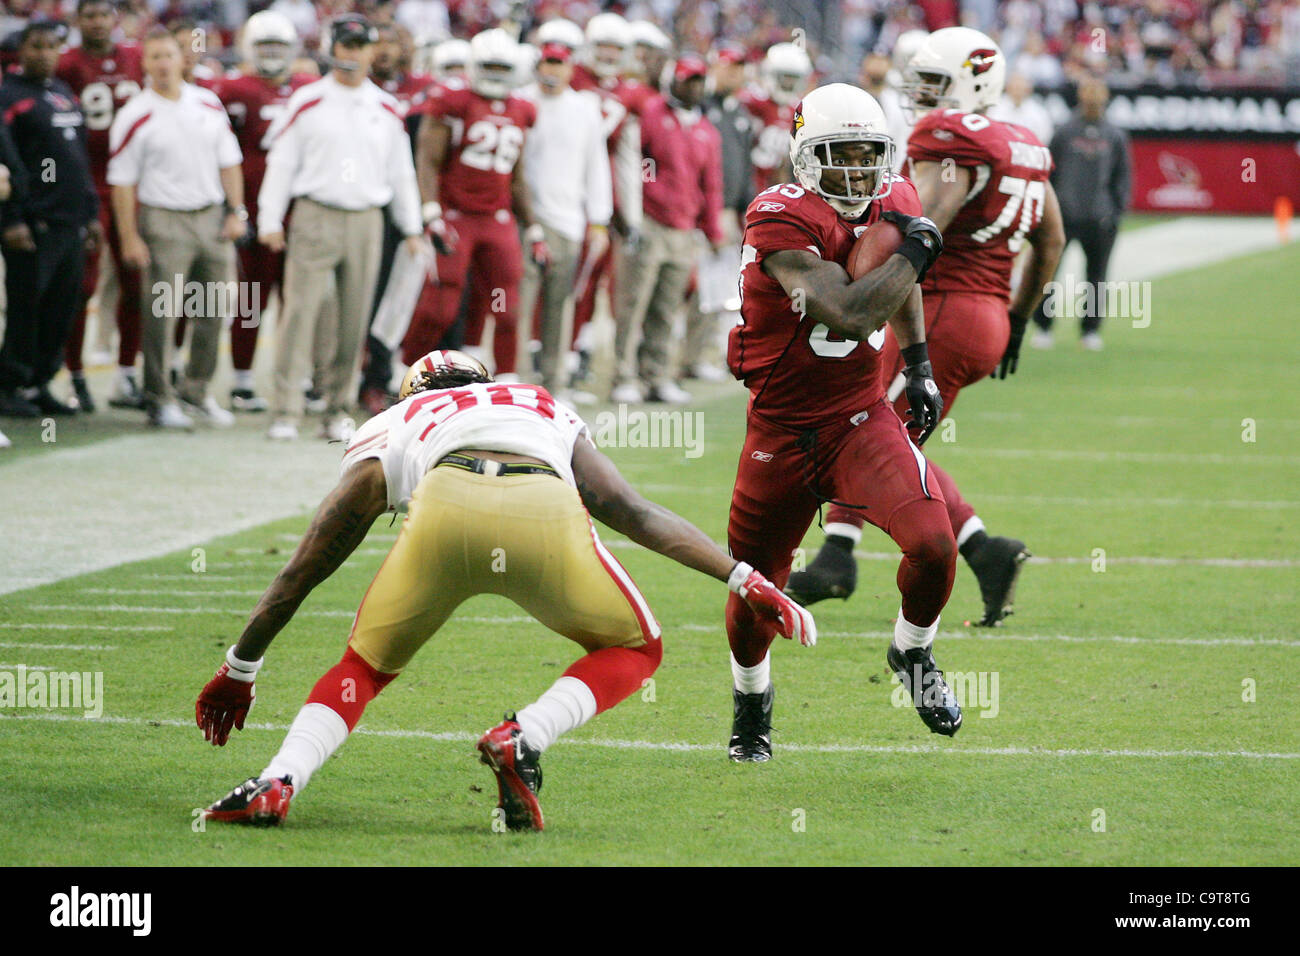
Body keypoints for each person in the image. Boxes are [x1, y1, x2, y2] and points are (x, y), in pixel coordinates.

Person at [196, 349, 815, 831]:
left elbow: (308, 562)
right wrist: (743, 576)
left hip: (443, 509)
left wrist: (240, 665)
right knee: (636, 648)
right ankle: (526, 735)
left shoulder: (397, 418)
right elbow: (627, 507)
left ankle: (278, 781)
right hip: (542, 505)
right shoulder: (534, 400)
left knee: (361, 667)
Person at [788, 29, 1065, 628]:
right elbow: (1051, 240)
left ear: (975, 80)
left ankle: (838, 558)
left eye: (934, 83)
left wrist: (873, 265)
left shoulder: (953, 139)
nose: (921, 94)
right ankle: (984, 550)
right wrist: (1017, 321)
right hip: (984, 316)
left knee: (863, 431)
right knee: (894, 440)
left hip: (942, 307)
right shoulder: (1021, 139)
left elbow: (927, 225)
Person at [724, 83, 955, 761]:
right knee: (756, 589)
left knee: (934, 543)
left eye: (868, 155)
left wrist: (918, 365)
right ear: (804, 157)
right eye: (840, 155)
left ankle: (913, 655)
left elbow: (897, 289)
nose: (857, 170)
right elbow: (851, 313)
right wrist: (916, 251)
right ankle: (751, 701)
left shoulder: (896, 199)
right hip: (780, 429)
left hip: (859, 416)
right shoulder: (778, 215)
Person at [258, 14, 425, 441]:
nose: (351, 54)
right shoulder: (308, 100)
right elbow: (282, 161)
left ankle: (336, 407)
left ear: (372, 51)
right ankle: (286, 407)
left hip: (367, 218)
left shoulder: (386, 106)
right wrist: (270, 217)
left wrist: (411, 225)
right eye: (344, 45)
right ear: (332, 49)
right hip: (316, 212)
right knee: (301, 311)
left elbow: (401, 172)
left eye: (359, 46)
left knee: (355, 317)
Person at [107, 27, 246, 430]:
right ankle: (158, 397)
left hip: (211, 216)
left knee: (215, 309)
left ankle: (197, 389)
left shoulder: (208, 103)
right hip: (163, 219)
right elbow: (121, 182)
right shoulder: (135, 114)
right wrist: (130, 235)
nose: (163, 64)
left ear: (182, 58)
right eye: (154, 57)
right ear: (145, 64)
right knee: (162, 313)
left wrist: (237, 212)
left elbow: (229, 161)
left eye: (169, 55)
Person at [405, 28, 541, 378]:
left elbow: (518, 174)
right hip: (457, 216)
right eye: (489, 67)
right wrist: (431, 210)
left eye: (501, 68)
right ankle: (404, 370)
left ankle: (506, 379)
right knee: (441, 308)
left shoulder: (523, 108)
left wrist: (534, 226)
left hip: (497, 218)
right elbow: (428, 159)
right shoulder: (453, 100)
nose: (495, 75)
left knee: (506, 305)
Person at [215, 10, 316, 413]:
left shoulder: (309, 89)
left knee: (301, 302)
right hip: (253, 212)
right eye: (264, 46)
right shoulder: (233, 89)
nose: (272, 54)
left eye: (279, 46)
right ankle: (242, 380)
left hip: (301, 212)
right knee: (251, 299)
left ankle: (299, 379)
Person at [0, 21, 100, 419]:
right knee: (28, 305)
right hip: (34, 222)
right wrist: (11, 219)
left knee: (63, 306)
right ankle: (8, 383)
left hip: (70, 220)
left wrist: (90, 213)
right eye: (35, 46)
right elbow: (6, 164)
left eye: (51, 46)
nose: (44, 53)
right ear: (20, 51)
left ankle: (38, 381)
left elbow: (78, 159)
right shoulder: (8, 96)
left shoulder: (61, 93)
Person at [611, 54, 723, 405]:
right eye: (688, 79)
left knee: (667, 306)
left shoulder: (706, 130)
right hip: (650, 222)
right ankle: (623, 375)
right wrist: (639, 205)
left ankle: (655, 375)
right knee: (634, 303)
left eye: (698, 80)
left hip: (684, 229)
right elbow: (635, 161)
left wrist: (712, 228)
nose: (693, 86)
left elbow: (711, 185)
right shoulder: (652, 114)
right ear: (673, 80)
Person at [56, 0, 144, 413]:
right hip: (87, 184)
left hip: (134, 184)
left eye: (102, 14)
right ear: (78, 21)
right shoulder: (67, 63)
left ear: (115, 18)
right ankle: (74, 375)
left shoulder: (137, 57)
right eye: (88, 15)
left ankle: (127, 373)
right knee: (82, 285)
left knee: (138, 281)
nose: (96, 22)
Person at [517, 39, 610, 399]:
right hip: (525, 218)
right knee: (521, 306)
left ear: (571, 68)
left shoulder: (584, 107)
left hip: (568, 219)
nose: (552, 70)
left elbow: (596, 165)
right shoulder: (521, 101)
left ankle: (554, 386)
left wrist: (599, 220)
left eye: (559, 63)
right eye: (547, 62)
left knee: (559, 306)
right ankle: (519, 382)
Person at [1032, 76, 1130, 351]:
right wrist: (1049, 211)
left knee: (1097, 278)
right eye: (1089, 94)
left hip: (1101, 219)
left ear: (1105, 98)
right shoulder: (1064, 131)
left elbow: (1123, 176)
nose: (1093, 100)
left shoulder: (1114, 135)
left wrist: (1115, 211)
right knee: (1049, 273)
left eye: (1097, 95)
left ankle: (1090, 331)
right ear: (1080, 97)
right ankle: (1043, 327)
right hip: (1064, 217)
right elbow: (1049, 172)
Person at [739, 43, 812, 196]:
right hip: (747, 179)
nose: (789, 84)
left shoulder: (797, 110)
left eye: (793, 79)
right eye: (785, 78)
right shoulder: (751, 103)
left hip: (774, 184)